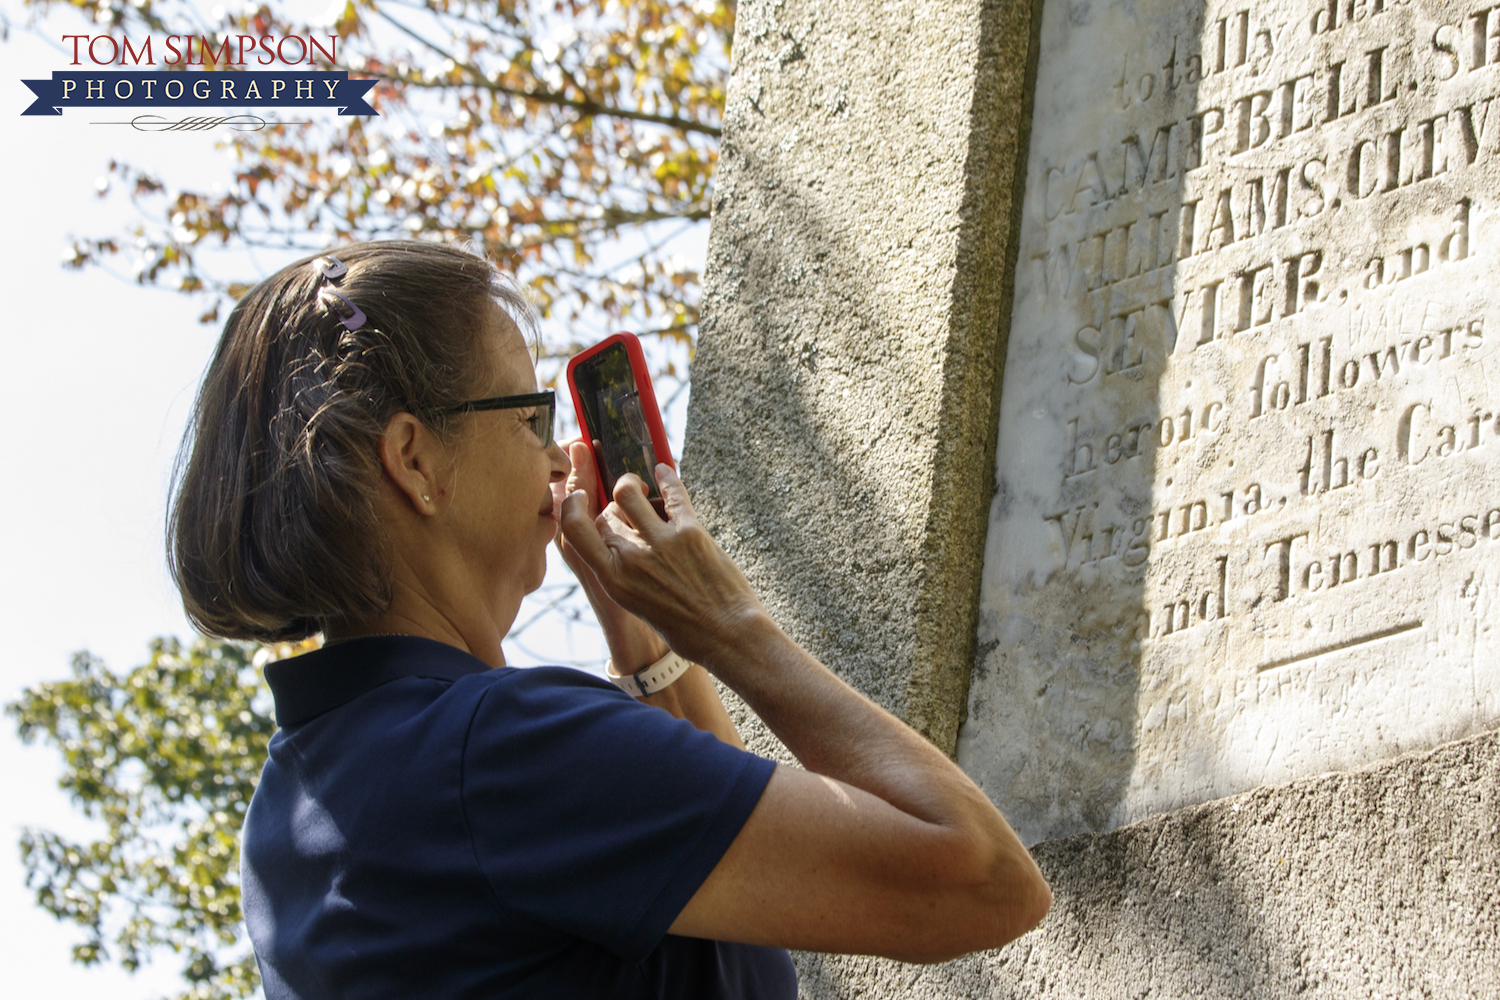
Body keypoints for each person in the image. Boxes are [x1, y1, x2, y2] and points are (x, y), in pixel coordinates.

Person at [168, 240, 1050, 999]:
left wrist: (648, 639)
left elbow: (737, 879)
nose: (559, 460)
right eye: (527, 415)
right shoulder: (502, 749)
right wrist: (732, 625)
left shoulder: (303, 793)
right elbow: (984, 880)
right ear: (414, 460)